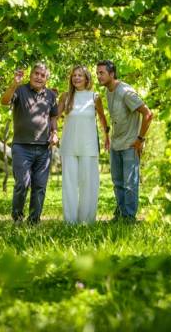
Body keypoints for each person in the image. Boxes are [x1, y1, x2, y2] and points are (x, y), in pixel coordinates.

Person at [0, 63, 59, 224]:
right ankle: (17, 219)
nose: (39, 77)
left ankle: (34, 221)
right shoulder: (20, 90)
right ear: (30, 75)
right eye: (36, 73)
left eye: (42, 75)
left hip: (44, 148)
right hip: (21, 147)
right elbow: (4, 101)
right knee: (23, 184)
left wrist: (54, 133)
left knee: (39, 186)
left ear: (47, 79)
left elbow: (53, 118)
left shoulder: (51, 96)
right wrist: (14, 84)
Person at [96, 60, 153, 222]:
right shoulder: (109, 91)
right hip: (116, 144)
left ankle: (129, 218)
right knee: (118, 183)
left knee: (130, 184)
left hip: (130, 144)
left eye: (102, 73)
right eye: (97, 73)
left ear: (112, 74)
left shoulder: (126, 92)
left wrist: (140, 139)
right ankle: (121, 214)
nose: (98, 76)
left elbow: (148, 114)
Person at [58, 65, 109, 224]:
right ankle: (70, 221)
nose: (76, 78)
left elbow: (102, 119)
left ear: (87, 78)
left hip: (89, 145)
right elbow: (55, 116)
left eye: (80, 75)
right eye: (74, 75)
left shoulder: (95, 97)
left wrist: (107, 137)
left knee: (88, 184)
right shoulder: (65, 97)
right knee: (69, 184)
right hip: (68, 145)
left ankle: (86, 220)